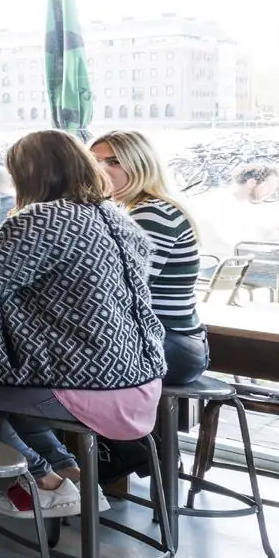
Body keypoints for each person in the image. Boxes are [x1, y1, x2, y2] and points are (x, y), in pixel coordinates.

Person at [0, 130, 165, 519]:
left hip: (91, 384)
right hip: (141, 378)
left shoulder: (44, 216)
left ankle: (39, 480)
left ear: (29, 174)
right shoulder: (118, 218)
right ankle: (71, 476)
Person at [91, 129, 208, 493]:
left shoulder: (151, 214)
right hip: (164, 340)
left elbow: (120, 289)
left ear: (139, 164)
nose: (101, 169)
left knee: (53, 363)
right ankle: (106, 455)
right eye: (94, 161)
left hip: (172, 344)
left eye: (113, 161)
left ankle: (124, 452)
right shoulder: (129, 211)